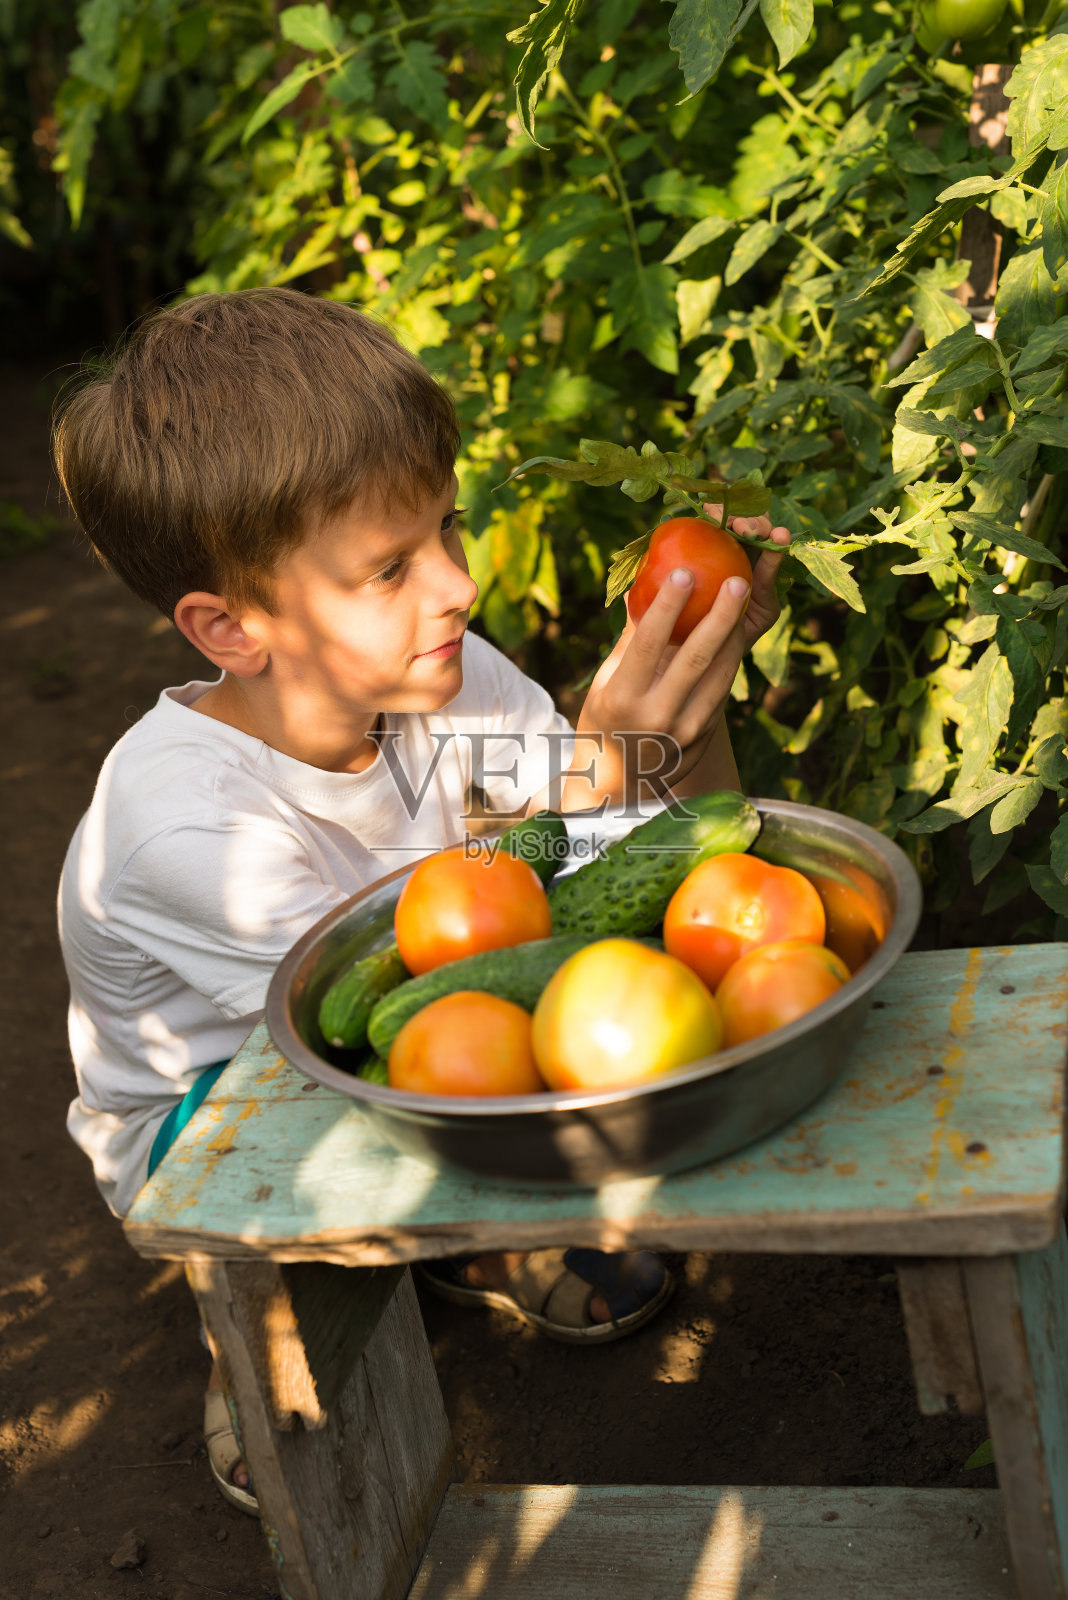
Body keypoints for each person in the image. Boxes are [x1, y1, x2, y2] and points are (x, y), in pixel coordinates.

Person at [53, 287, 790, 1515]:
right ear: (230, 626)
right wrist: (600, 780)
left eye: (446, 530)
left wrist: (687, 700)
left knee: (516, 1053)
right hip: (231, 1101)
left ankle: (471, 1238)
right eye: (391, 566)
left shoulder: (437, 676)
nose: (454, 584)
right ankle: (262, 1319)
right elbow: (363, 1032)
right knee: (320, 1259)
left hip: (413, 1028)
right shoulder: (187, 827)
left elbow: (601, 857)